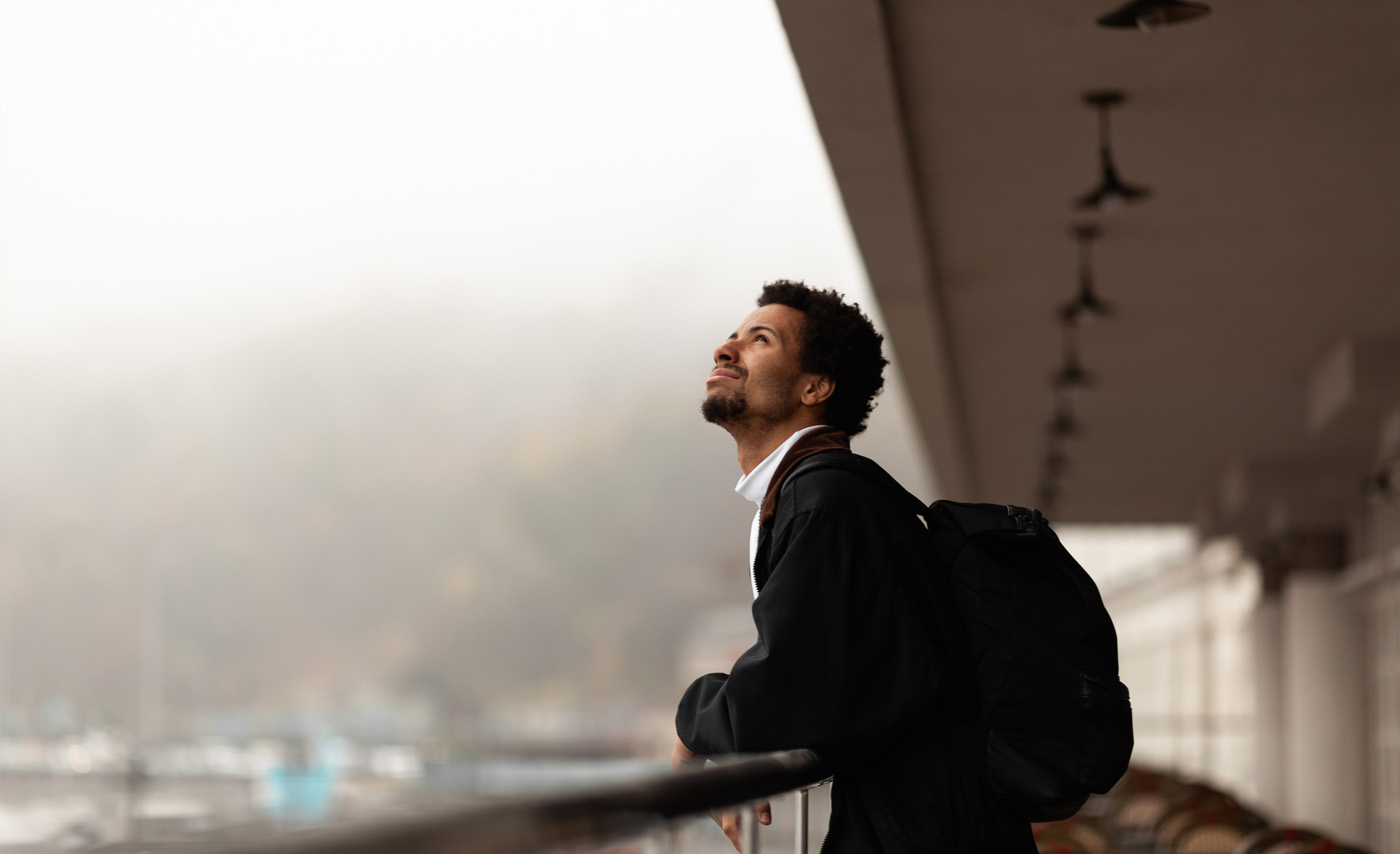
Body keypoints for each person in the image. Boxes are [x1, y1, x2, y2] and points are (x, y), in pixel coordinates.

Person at [672, 281, 1034, 853]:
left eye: (759, 339)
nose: (726, 349)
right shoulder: (830, 495)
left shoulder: (827, 504)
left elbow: (790, 688)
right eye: (731, 337)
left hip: (922, 831)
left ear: (815, 387)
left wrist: (693, 721)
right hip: (931, 819)